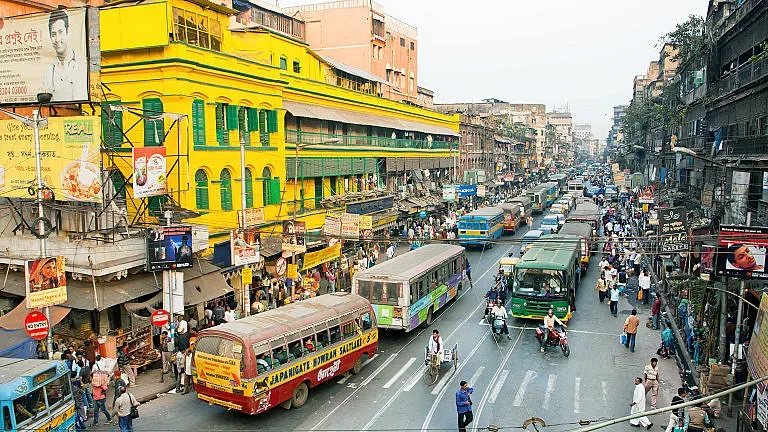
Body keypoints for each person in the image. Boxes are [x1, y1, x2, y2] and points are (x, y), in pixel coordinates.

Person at [41, 9, 88, 102]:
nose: (57, 39)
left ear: (67, 31)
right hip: (56, 116)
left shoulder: (82, 65)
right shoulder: (49, 71)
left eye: (60, 32)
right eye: (53, 34)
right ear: (50, 37)